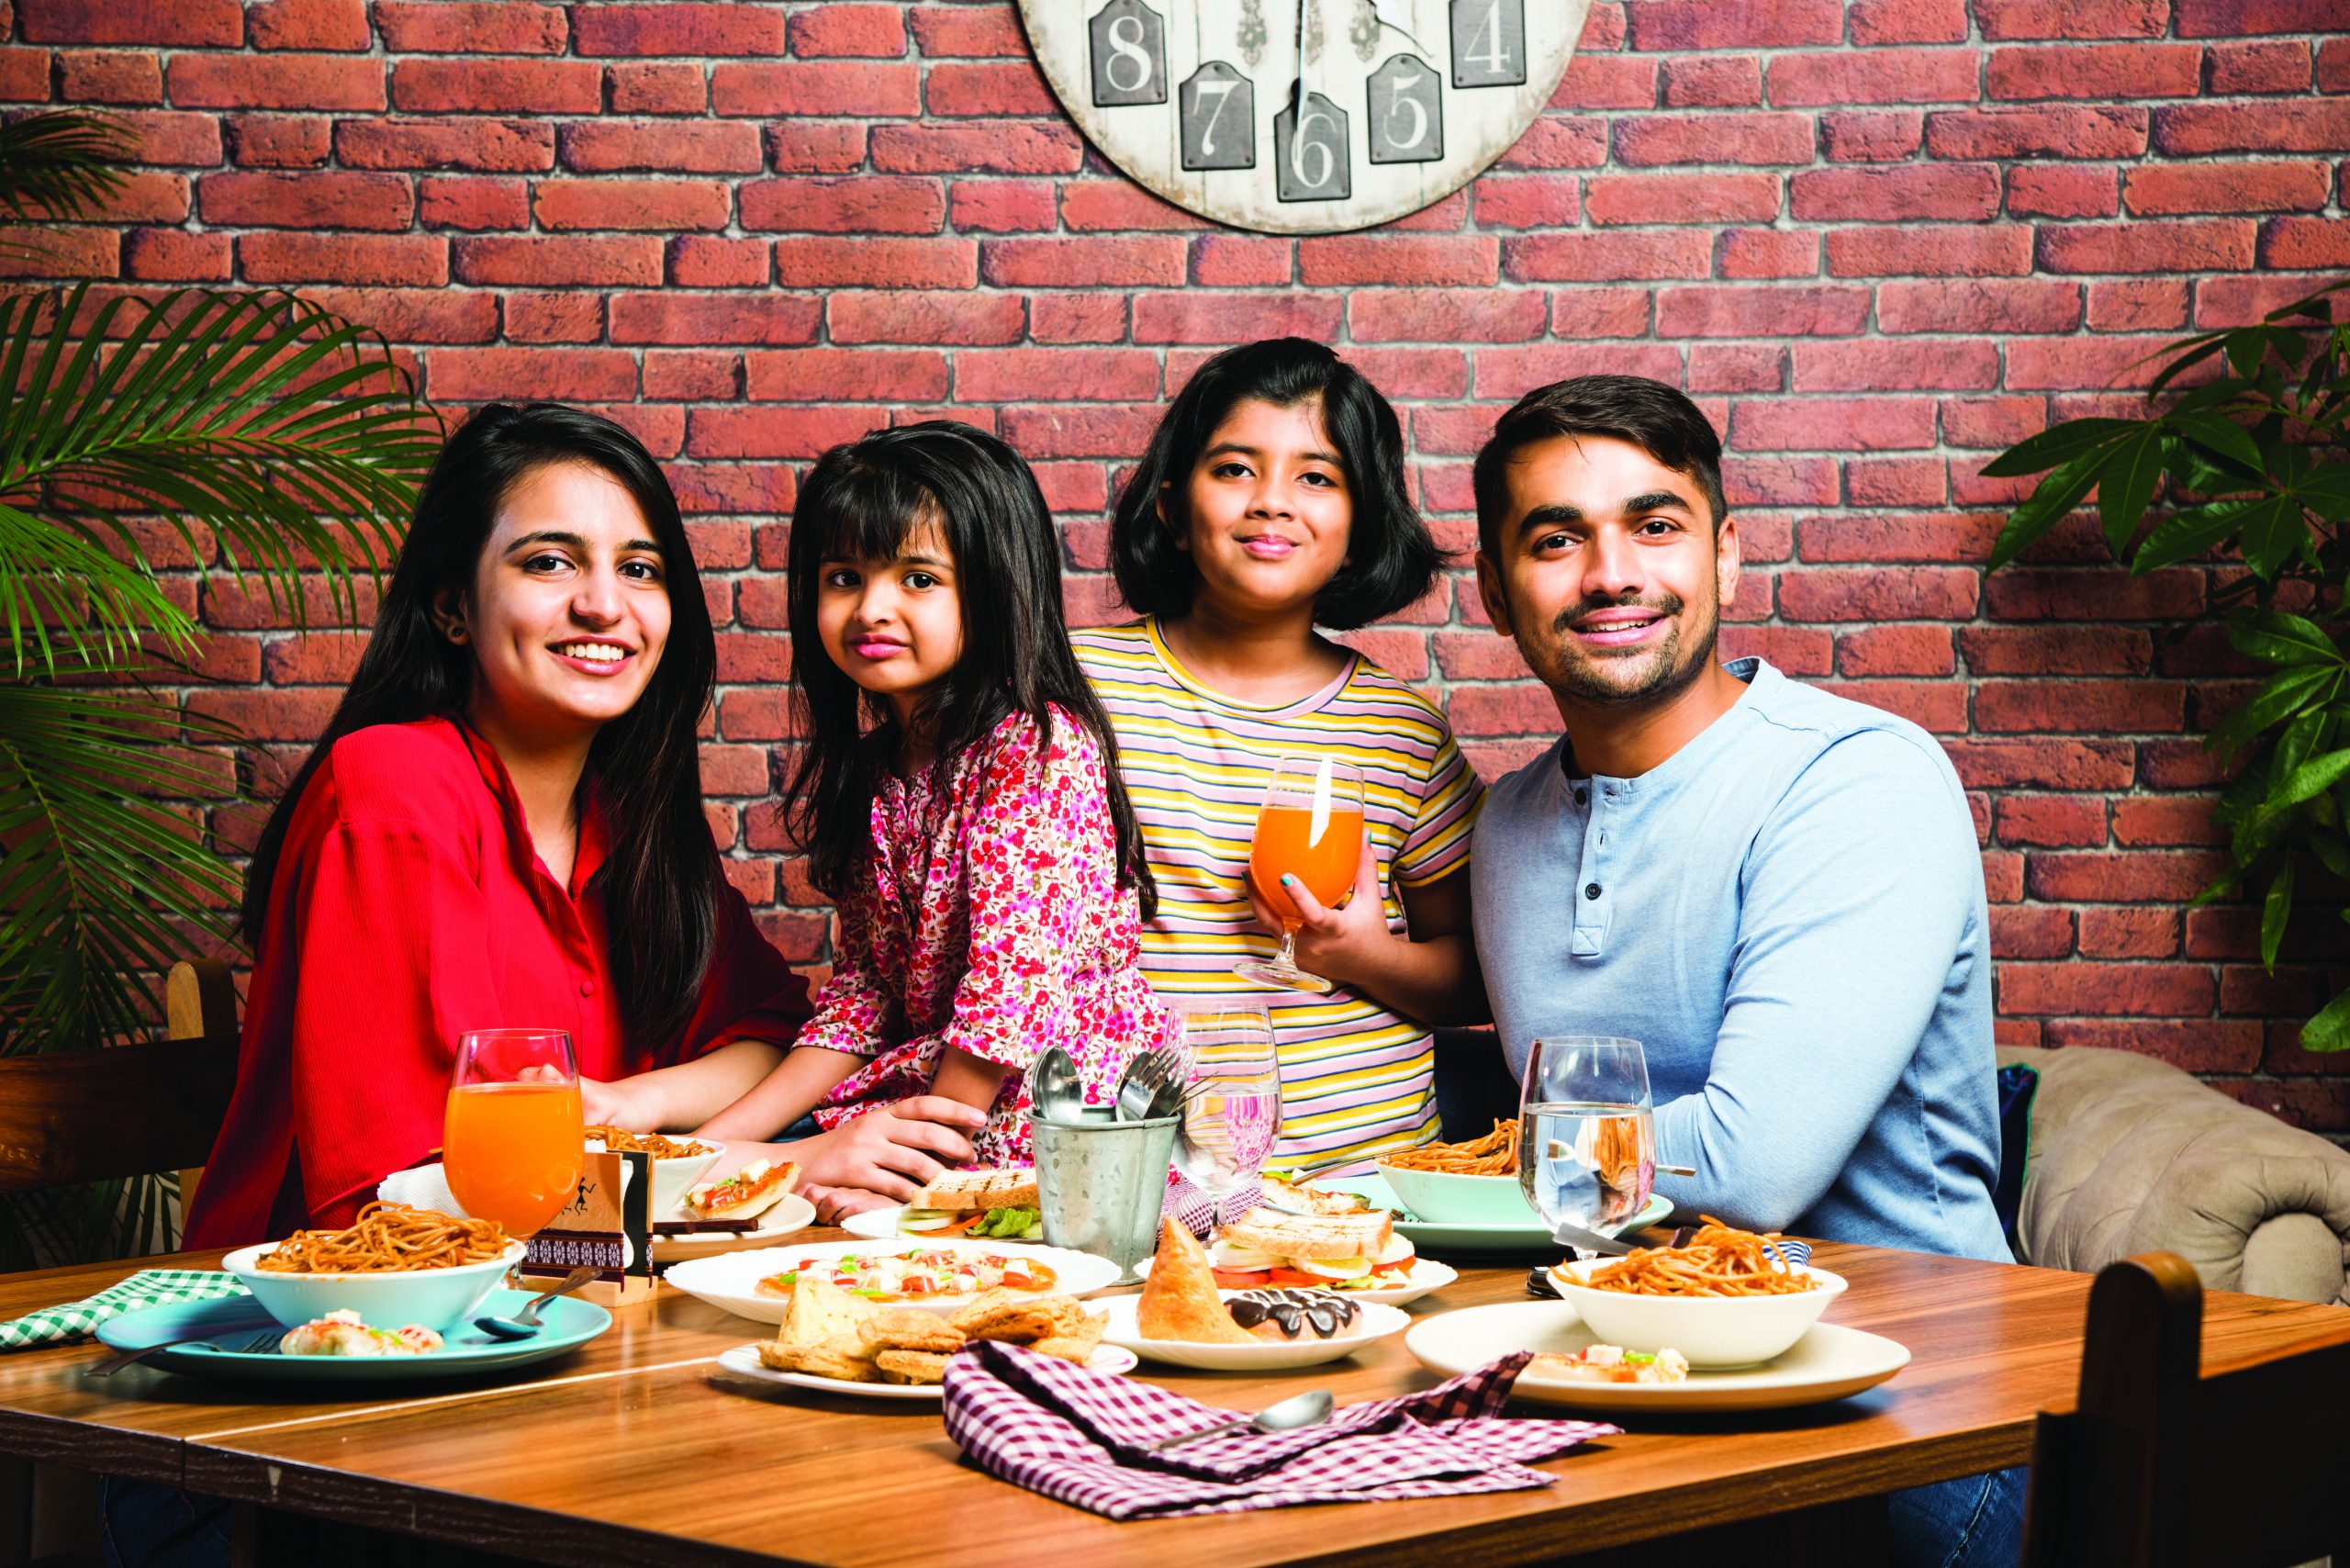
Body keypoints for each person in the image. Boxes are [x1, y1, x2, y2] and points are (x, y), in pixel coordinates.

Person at [184, 404, 977, 1249]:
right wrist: (771, 1167)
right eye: (550, 562)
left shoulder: (631, 824)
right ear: (455, 606)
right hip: (363, 1321)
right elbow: (417, 1203)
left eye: (640, 569)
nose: (604, 605)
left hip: (599, 1294)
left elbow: (770, 1037)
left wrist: (658, 1117)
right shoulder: (394, 790)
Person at [1466, 374, 2020, 1567]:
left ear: (1724, 555)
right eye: (1555, 540)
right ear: (1495, 591)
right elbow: (1588, 1183)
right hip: (1638, 1392)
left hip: (1924, 1426)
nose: (1609, 573)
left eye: (1653, 526)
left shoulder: (1857, 779)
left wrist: (1514, 1169)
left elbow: (1756, 1165)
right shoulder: (1502, 830)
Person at [695, 420, 1176, 1206]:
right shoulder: (880, 768)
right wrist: (720, 1145)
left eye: (918, 579)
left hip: (1052, 1109)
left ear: (993, 589)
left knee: (790, 1201)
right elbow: (866, 992)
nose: (870, 608)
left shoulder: (1035, 750)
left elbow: (1005, 997)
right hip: (936, 1086)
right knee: (726, 1183)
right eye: (844, 577)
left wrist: (928, 1169)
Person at [1074, 338, 1486, 1177]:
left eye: (1317, 477)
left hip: (1361, 1182)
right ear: (1169, 507)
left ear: (1362, 522)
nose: (1272, 502)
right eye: (1233, 469)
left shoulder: (1401, 731)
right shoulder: (1073, 688)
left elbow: (1480, 979)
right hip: (1125, 1169)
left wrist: (1362, 955)